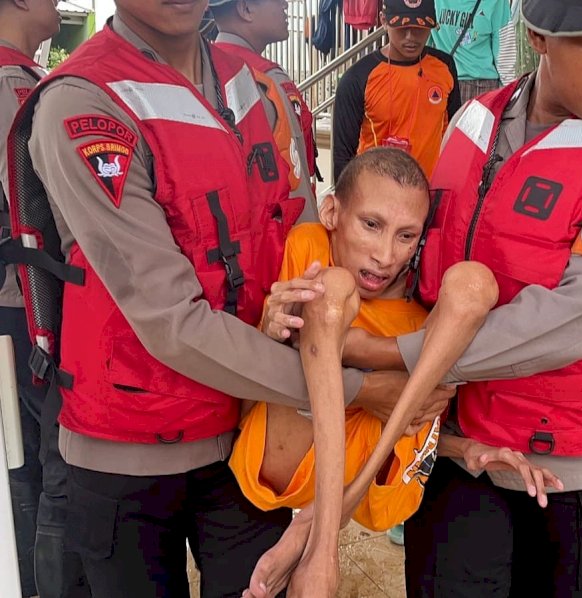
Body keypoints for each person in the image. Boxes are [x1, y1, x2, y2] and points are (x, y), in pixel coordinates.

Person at [4, 1, 448, 596]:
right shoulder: (84, 102)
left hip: (243, 438)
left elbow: (294, 235)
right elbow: (172, 322)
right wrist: (360, 388)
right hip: (131, 449)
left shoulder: (245, 81)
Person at [333, 1, 582, 596]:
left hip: (572, 472)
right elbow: (416, 249)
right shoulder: (473, 119)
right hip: (459, 453)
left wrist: (389, 355)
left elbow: (571, 321)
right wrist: (322, 295)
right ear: (538, 36)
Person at [237, 147, 561, 598]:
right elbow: (282, 368)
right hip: (278, 461)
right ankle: (322, 544)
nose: (386, 255)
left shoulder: (417, 315)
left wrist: (462, 447)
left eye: (406, 237)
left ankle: (319, 531)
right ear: (332, 210)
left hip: (373, 490)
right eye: (371, 225)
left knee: (475, 283)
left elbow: (406, 417)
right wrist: (274, 333)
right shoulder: (309, 247)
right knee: (332, 287)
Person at [0, 3, 91, 598]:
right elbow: (44, 206)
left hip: (18, 301)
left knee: (29, 467)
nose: (58, 3)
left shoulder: (24, 79)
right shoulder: (13, 87)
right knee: (52, 472)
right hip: (30, 306)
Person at [209, 0, 319, 222]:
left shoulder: (203, 71)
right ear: (246, 9)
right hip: (279, 231)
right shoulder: (267, 80)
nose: (286, 5)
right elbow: (294, 176)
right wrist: (310, 232)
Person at [332, 0, 460, 182]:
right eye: (402, 27)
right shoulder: (357, 78)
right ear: (384, 20)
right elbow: (343, 156)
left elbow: (454, 134)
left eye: (420, 27)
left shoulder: (444, 67)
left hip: (430, 193)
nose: (411, 37)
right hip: (377, 196)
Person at [429, 0, 515, 102]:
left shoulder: (496, 2)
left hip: (478, 85)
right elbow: (504, 52)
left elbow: (504, 50)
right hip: (447, 82)